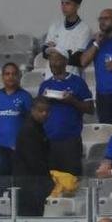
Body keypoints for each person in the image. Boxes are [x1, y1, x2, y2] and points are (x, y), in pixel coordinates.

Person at [38, 50, 93, 179]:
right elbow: (38, 112)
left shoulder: (78, 82)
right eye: (51, 60)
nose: (53, 63)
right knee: (50, 182)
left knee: (72, 180)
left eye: (57, 60)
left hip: (70, 141)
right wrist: (44, 102)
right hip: (48, 141)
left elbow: (90, 109)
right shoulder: (45, 85)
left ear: (65, 61)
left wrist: (72, 101)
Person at [0, 63, 35, 177]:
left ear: (19, 76)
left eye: (14, 74)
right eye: (7, 74)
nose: (10, 77)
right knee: (1, 182)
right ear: (2, 77)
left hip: (19, 148)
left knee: (19, 182)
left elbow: (32, 122)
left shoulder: (25, 97)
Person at [13, 97, 54, 217]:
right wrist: (47, 178)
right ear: (32, 110)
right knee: (29, 216)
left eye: (47, 111)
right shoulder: (29, 130)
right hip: (29, 183)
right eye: (41, 111)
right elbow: (33, 160)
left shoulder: (38, 128)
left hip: (34, 182)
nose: (44, 114)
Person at [42, 0, 91, 71]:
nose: (63, 7)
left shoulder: (85, 29)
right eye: (62, 3)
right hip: (51, 76)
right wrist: (67, 52)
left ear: (77, 6)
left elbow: (78, 59)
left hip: (72, 76)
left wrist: (54, 51)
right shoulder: (54, 27)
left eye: (68, 3)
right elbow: (44, 53)